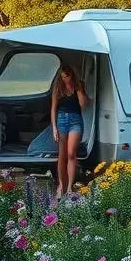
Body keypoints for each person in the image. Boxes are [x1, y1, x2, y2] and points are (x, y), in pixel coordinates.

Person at [51, 63, 87, 199]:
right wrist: (54, 127)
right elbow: (53, 108)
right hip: (61, 120)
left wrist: (78, 89)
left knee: (72, 153)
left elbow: (83, 105)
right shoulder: (58, 88)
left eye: (67, 76)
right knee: (62, 155)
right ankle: (61, 185)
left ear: (72, 75)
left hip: (75, 120)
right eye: (63, 76)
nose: (65, 79)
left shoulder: (78, 86)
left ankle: (70, 187)